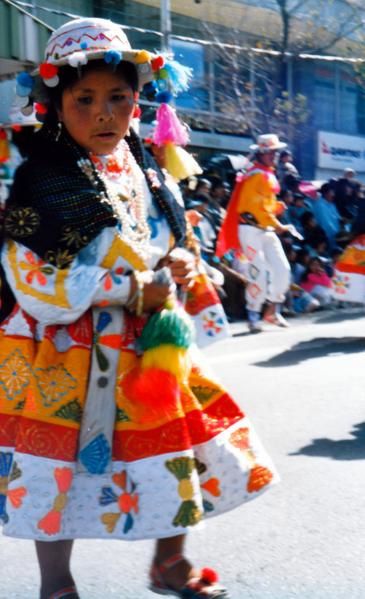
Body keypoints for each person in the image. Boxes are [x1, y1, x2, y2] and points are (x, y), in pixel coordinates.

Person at [0, 18, 278, 599]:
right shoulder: (36, 183)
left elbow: (174, 242)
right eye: (85, 99)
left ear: (137, 101)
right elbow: (32, 276)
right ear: (55, 103)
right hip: (64, 351)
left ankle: (170, 564)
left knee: (181, 447)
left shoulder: (151, 173)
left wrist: (181, 267)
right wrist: (125, 290)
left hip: (149, 344)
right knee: (58, 467)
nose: (104, 113)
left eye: (118, 98)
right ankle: (57, 585)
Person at [216, 133, 299, 333]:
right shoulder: (255, 175)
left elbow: (262, 205)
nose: (275, 155)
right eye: (271, 152)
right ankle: (253, 313)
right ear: (261, 153)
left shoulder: (264, 173)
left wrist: (275, 208)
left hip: (265, 228)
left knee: (283, 269)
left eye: (276, 152)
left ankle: (272, 308)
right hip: (250, 230)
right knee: (258, 272)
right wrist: (277, 223)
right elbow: (254, 208)